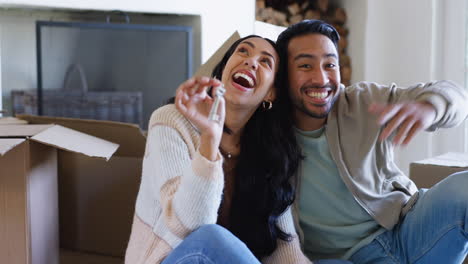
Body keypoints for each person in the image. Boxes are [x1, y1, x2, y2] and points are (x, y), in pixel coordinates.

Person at [124, 34, 351, 264]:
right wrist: (210, 140)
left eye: (265, 62)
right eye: (243, 51)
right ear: (222, 71)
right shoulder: (171, 121)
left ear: (271, 93)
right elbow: (190, 227)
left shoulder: (269, 151)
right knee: (210, 238)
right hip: (175, 258)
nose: (251, 61)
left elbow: (284, 249)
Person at [275, 19, 468, 264]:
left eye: (330, 64)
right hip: (343, 259)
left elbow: (458, 97)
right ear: (283, 75)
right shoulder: (270, 136)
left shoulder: (362, 100)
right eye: (305, 65)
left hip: (407, 230)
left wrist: (430, 107)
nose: (321, 78)